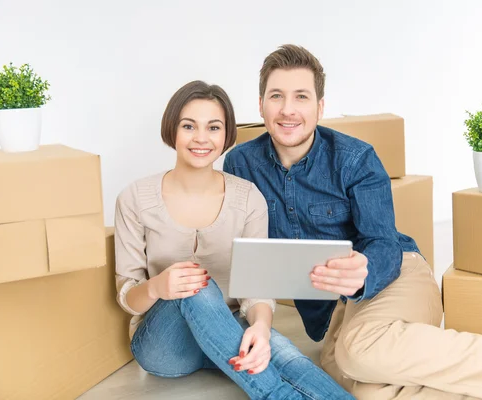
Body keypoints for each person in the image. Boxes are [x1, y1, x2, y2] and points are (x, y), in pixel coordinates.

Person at [223, 44, 482, 400]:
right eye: (276, 96)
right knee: (363, 389)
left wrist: (363, 269)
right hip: (335, 308)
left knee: (359, 350)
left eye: (301, 96)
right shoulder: (240, 164)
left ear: (319, 107)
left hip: (394, 277)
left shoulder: (355, 158)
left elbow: (383, 242)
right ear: (261, 105)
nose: (288, 110)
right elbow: (246, 253)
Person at [114, 80, 355, 400]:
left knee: (289, 358)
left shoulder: (248, 198)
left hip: (228, 327)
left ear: (226, 135)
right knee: (192, 282)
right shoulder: (135, 198)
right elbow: (127, 297)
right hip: (165, 346)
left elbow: (258, 289)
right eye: (189, 126)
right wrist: (159, 286)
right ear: (172, 128)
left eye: (213, 127)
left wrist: (260, 327)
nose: (201, 138)